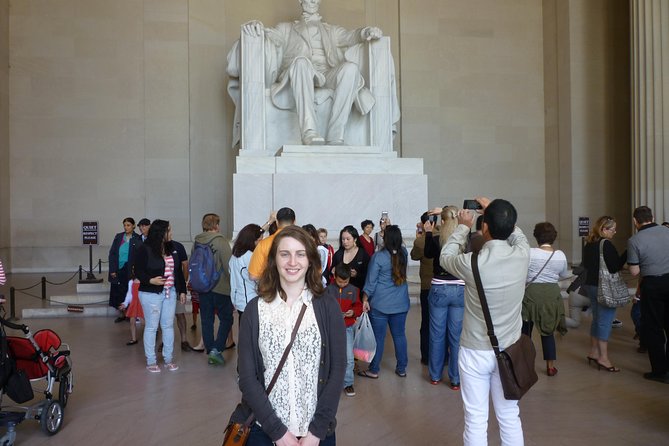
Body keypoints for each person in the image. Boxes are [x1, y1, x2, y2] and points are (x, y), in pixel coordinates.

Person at [235, 226, 346, 445]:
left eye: (300, 254)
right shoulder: (254, 311)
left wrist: (316, 432)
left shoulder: (328, 307)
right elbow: (247, 377)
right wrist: (278, 432)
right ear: (274, 260)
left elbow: (338, 367)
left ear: (311, 260)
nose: (292, 262)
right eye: (284, 254)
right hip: (265, 430)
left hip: (316, 432)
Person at [440, 197, 529, 446]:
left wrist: (462, 226)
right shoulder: (523, 255)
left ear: (485, 227)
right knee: (510, 416)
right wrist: (497, 211)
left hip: (475, 350)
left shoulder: (472, 263)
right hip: (509, 349)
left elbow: (445, 257)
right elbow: (518, 236)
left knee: (476, 419)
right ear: (511, 227)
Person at [240, 0, 385, 145]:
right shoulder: (286, 28)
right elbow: (270, 35)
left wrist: (366, 32)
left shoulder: (331, 30)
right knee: (301, 62)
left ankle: (336, 135)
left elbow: (351, 36)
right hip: (299, 72)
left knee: (351, 69)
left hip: (326, 74)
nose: (313, 1)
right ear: (301, 1)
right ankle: (309, 132)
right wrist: (255, 26)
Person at [358, 225, 410, 379]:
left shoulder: (378, 257)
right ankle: (401, 369)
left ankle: (374, 370)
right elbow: (399, 249)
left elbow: (371, 281)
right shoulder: (404, 254)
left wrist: (365, 299)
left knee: (379, 338)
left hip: (380, 304)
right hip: (400, 304)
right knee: (400, 336)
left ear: (385, 239)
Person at [134, 219, 186, 373]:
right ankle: (151, 361)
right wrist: (150, 280)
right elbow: (138, 271)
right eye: (168, 231)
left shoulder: (172, 248)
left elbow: (177, 272)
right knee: (151, 327)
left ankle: (168, 359)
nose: (171, 233)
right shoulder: (145, 249)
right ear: (160, 233)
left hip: (170, 293)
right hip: (151, 294)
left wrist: (182, 290)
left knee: (168, 326)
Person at [424, 206, 465, 390]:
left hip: (439, 287)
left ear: (442, 222)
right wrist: (447, 210)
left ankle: (435, 375)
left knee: (437, 335)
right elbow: (461, 215)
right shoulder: (464, 239)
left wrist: (427, 232)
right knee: (456, 337)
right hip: (459, 288)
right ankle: (455, 379)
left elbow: (426, 254)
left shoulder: (435, 239)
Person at [627, 206, 669, 383]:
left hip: (652, 285)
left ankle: (660, 371)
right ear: (653, 217)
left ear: (635, 221)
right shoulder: (667, 231)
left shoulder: (634, 240)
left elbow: (635, 271)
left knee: (653, 327)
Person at [522, 222, 570, 377]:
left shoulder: (529, 253)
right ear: (553, 237)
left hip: (531, 294)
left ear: (536, 236)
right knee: (548, 331)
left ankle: (525, 365)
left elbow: (522, 272)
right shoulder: (560, 255)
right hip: (551, 295)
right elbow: (563, 275)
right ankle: (550, 366)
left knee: (525, 332)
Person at [582, 216, 627, 372]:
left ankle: (594, 352)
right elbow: (614, 267)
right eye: (613, 229)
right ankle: (603, 358)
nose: (615, 232)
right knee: (605, 321)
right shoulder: (605, 244)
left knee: (597, 319)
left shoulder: (589, 243)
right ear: (604, 229)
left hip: (590, 285)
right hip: (604, 287)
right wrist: (627, 253)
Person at [192, 213, 233, 366]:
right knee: (227, 319)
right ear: (216, 225)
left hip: (203, 288)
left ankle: (210, 351)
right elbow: (228, 266)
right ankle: (217, 349)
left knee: (207, 320)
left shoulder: (197, 241)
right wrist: (232, 286)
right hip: (221, 288)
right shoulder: (221, 241)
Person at [325, 263, 362, 397]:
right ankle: (330, 382)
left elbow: (359, 307)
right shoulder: (328, 290)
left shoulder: (354, 290)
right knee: (330, 355)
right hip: (332, 327)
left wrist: (353, 312)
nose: (342, 284)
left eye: (345, 282)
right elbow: (324, 308)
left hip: (347, 327)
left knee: (349, 357)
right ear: (334, 277)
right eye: (340, 281)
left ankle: (348, 383)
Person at [410, 212, 435, 365]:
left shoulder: (421, 241)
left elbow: (413, 256)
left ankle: (426, 356)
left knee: (426, 323)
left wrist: (419, 237)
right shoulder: (445, 237)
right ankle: (444, 357)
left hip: (427, 285)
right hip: (445, 284)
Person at [108, 217, 142, 322]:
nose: (126, 227)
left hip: (130, 269)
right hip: (119, 268)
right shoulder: (119, 237)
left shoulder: (137, 238)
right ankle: (122, 314)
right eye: (125, 225)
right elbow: (112, 253)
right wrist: (112, 270)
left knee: (129, 290)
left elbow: (140, 254)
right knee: (118, 291)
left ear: (133, 226)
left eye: (128, 225)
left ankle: (130, 314)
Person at [249, 208, 294, 280]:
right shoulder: (305, 242)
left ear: (276, 222)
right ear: (294, 222)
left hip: (272, 288)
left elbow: (253, 276)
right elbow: (316, 271)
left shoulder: (264, 244)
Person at [230, 223, 263, 318]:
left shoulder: (234, 255)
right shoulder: (250, 256)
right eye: (260, 240)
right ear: (252, 241)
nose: (261, 244)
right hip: (249, 299)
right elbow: (257, 277)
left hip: (239, 298)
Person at [331, 225, 370, 290]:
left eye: (348, 239)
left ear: (355, 239)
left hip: (357, 292)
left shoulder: (363, 255)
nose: (345, 242)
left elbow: (369, 276)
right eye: (343, 239)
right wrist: (333, 271)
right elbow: (331, 271)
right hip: (340, 292)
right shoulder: (338, 254)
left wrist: (356, 275)